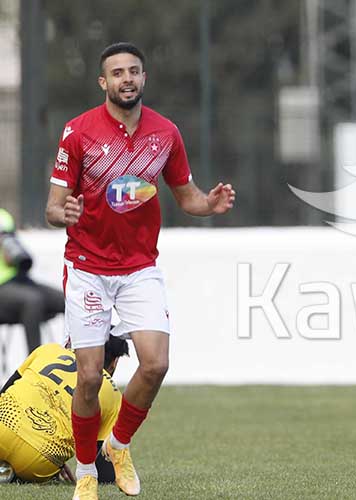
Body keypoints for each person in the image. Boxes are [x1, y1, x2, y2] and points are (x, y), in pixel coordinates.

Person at [45, 42, 236, 499]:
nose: (126, 79)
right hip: (87, 267)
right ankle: (86, 471)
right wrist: (63, 214)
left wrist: (209, 204)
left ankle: (118, 446)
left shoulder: (165, 133)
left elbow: (187, 197)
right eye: (117, 73)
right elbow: (52, 208)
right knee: (89, 377)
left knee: (156, 364)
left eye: (133, 71)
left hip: (139, 268)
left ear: (143, 78)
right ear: (103, 82)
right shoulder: (78, 132)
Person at [0, 337, 128, 484]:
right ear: (114, 362)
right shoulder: (112, 393)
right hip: (37, 462)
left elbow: (5, 391)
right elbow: (104, 474)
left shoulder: (49, 349)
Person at [0, 209, 64, 353]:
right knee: (32, 301)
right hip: (2, 286)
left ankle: (77, 355)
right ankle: (35, 360)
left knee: (66, 299)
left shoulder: (4, 215)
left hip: (19, 279)